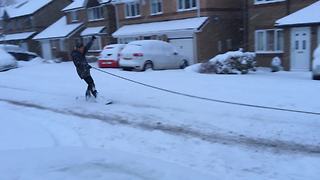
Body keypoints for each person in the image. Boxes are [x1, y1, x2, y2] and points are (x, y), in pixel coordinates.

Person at [71, 35, 98, 100]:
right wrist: (86, 65)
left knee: (90, 83)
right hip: (82, 72)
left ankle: (88, 94)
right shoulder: (75, 55)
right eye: (81, 48)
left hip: (86, 70)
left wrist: (92, 40)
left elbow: (87, 46)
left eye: (83, 48)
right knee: (91, 82)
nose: (83, 49)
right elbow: (78, 64)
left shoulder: (81, 52)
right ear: (78, 48)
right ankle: (96, 95)